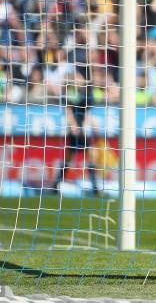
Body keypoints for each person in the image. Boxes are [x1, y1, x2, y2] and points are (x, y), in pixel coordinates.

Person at [51, 28, 101, 197]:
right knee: (72, 155)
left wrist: (89, 121)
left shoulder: (89, 85)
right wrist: (72, 123)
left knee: (88, 154)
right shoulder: (73, 81)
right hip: (76, 125)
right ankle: (56, 184)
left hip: (82, 123)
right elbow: (69, 106)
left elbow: (87, 108)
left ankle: (93, 187)